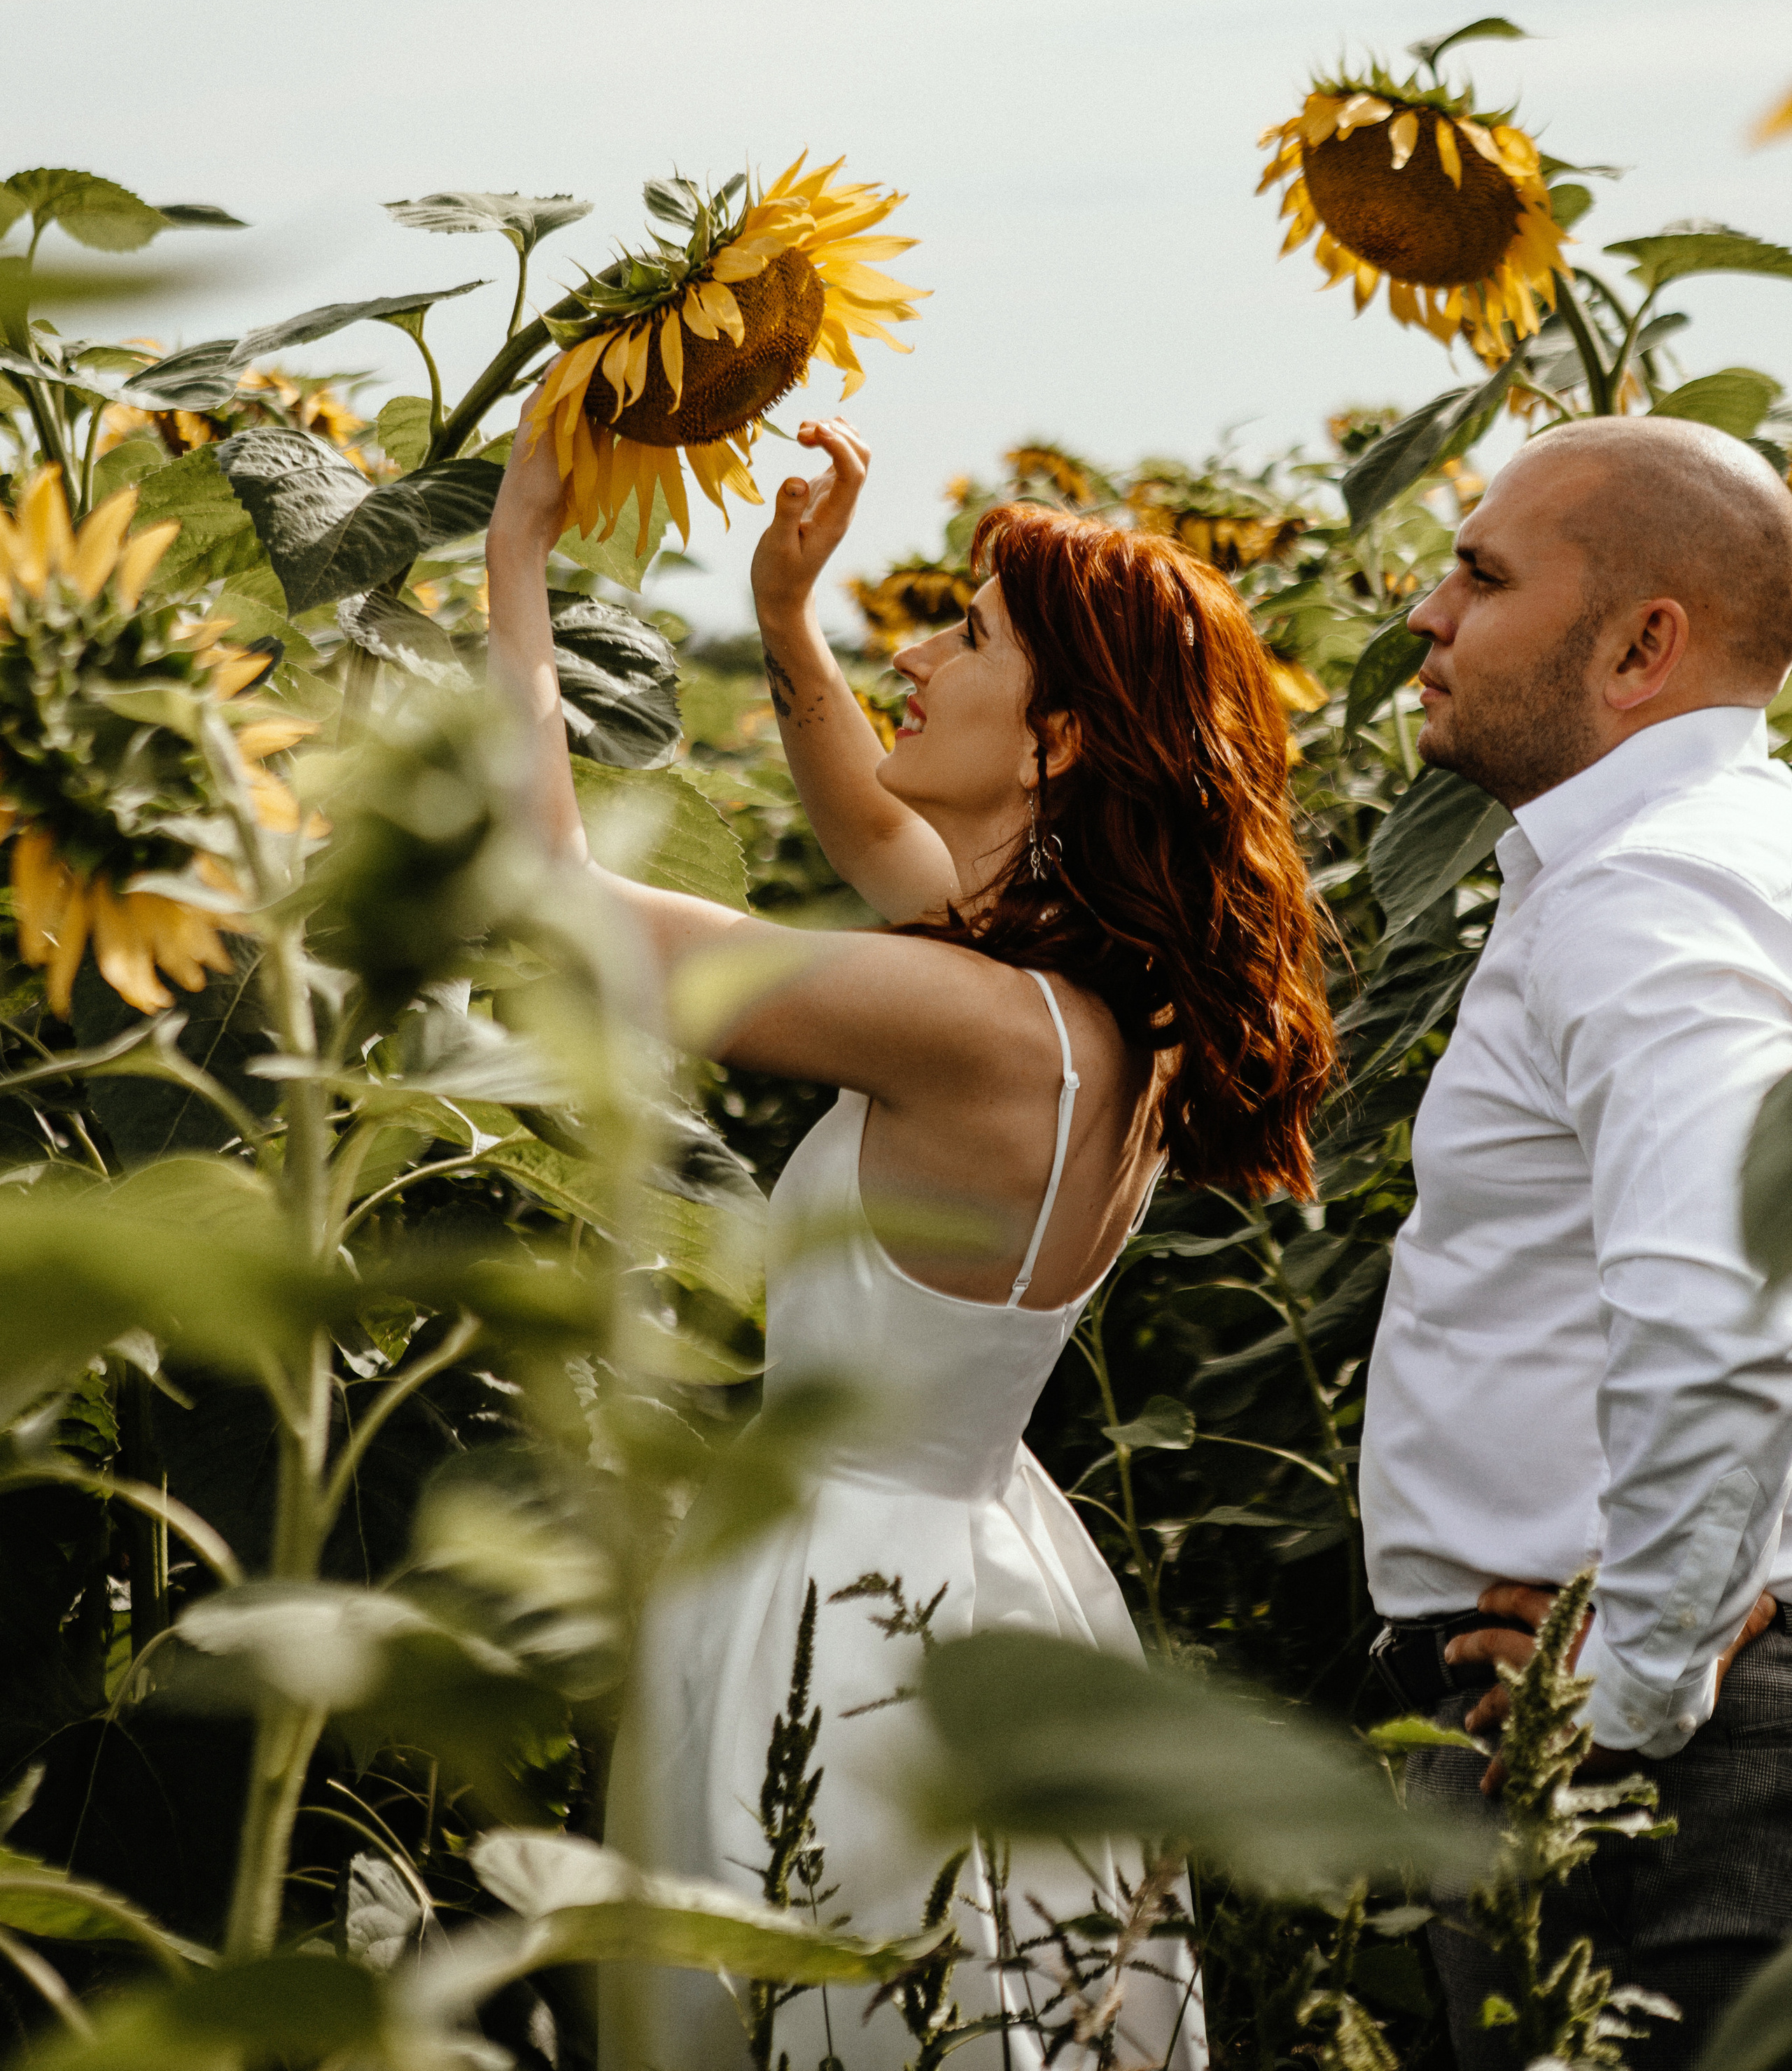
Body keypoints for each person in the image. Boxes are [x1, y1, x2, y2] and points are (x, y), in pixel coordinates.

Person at [486, 404, 1332, 2069]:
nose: (921, 651)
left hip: (835, 1589)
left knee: (815, 1987)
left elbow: (556, 900)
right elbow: (884, 841)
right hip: (984, 1563)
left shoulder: (965, 1021)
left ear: (1058, 742)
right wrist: (792, 627)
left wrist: (517, 553)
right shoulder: (1103, 1019)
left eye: (967, 632)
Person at [1359, 414, 1792, 2065]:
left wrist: (1629, 1686)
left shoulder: (1649, 893)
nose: (1423, 612)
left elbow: (1716, 1292)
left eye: (1478, 573)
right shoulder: (1708, 863)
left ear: (1640, 645)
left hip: (1648, 1774)